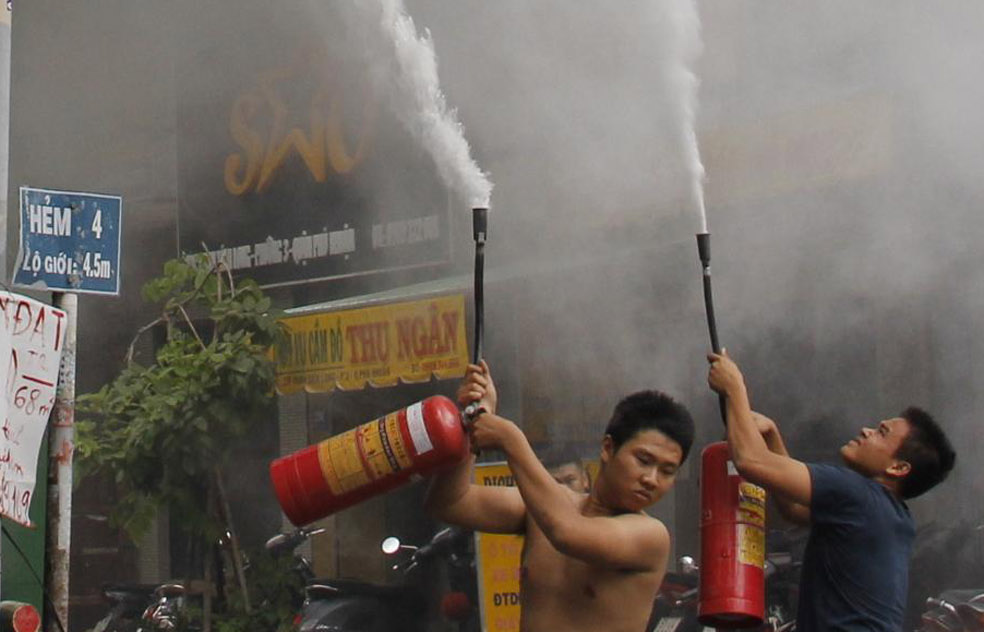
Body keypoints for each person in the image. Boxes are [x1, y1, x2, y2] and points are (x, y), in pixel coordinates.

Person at [425, 361, 695, 632]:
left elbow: (566, 533)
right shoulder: (548, 507)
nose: (651, 479)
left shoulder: (651, 535)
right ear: (608, 448)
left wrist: (510, 438)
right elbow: (450, 503)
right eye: (643, 460)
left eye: (667, 471)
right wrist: (470, 421)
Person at [707, 350, 956, 632]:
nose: (866, 430)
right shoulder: (893, 515)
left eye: (881, 432)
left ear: (899, 468)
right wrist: (773, 435)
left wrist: (734, 387)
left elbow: (750, 460)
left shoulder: (857, 492)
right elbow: (796, 510)